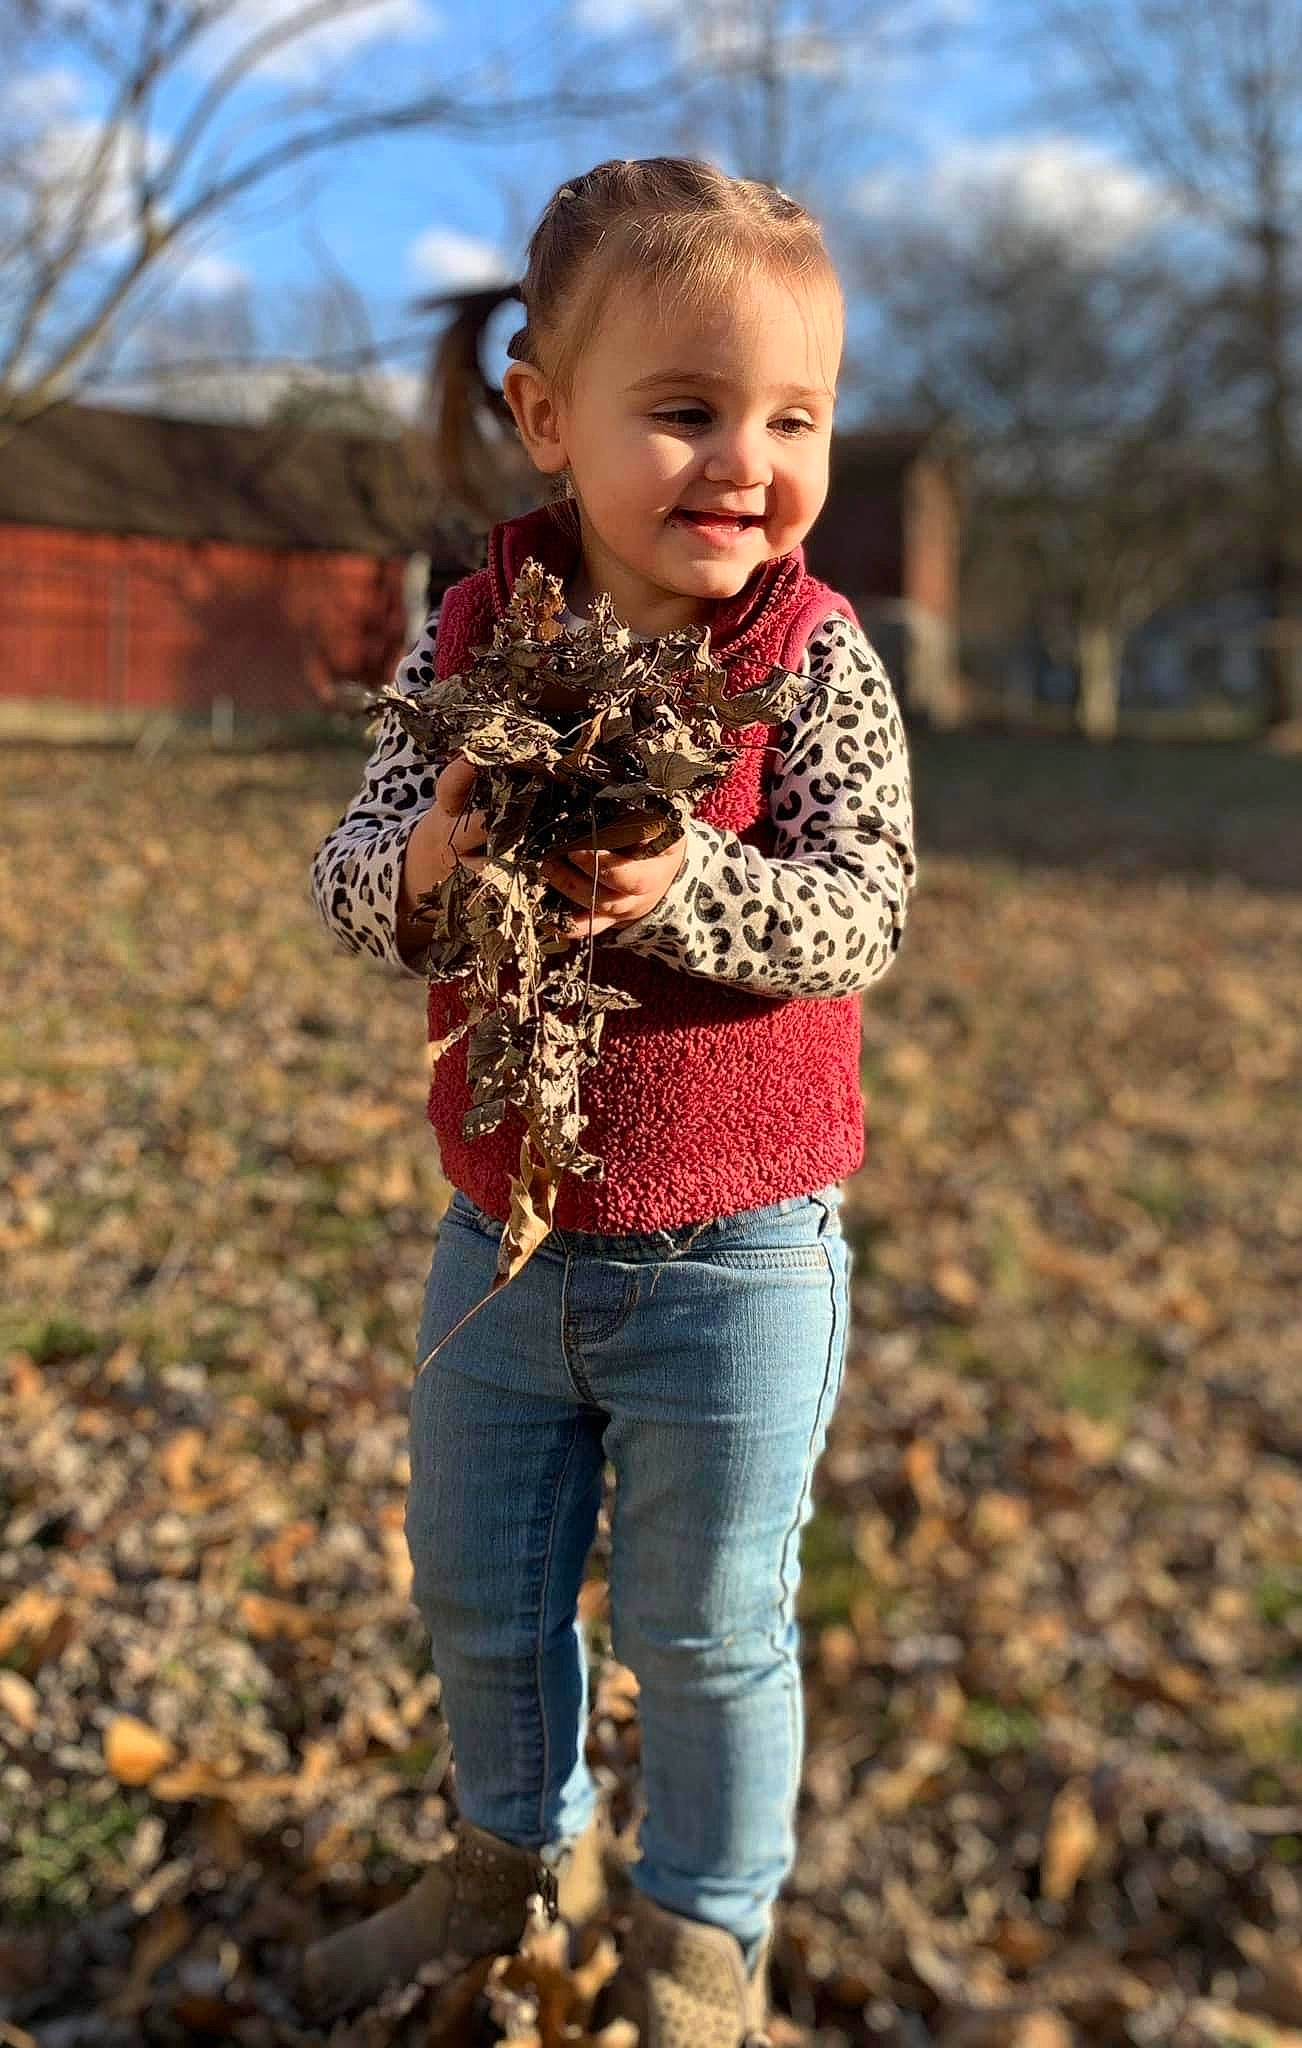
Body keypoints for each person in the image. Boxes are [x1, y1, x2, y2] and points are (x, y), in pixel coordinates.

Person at [304, 157, 917, 2048]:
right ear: (547, 419)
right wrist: (430, 864)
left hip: (740, 1256)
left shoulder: (807, 661)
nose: (745, 459)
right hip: (502, 1239)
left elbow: (866, 911)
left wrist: (683, 891)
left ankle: (700, 1929)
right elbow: (348, 875)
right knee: (481, 1593)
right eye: (684, 410)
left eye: (791, 417)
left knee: (707, 1629)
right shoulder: (472, 636)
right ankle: (498, 1856)